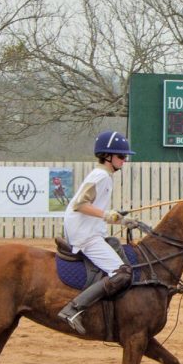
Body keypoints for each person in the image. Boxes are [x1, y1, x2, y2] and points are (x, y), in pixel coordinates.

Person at [57, 130, 136, 334]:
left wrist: (121, 219)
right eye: (121, 156)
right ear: (107, 156)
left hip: (90, 231)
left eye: (125, 157)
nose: (124, 160)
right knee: (122, 273)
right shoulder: (101, 176)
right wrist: (107, 215)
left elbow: (96, 210)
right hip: (85, 235)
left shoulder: (104, 176)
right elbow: (80, 205)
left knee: (116, 245)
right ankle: (73, 310)